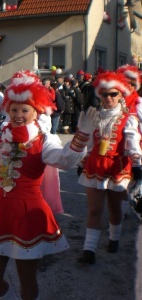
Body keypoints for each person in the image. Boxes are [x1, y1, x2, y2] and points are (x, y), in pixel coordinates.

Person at [0, 71, 100, 300]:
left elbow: (65, 160)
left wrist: (82, 135)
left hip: (28, 215)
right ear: (7, 110)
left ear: (35, 111)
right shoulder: (1, 140)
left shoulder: (43, 139)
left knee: (27, 279)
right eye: (14, 109)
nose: (18, 115)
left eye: (25, 110)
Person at [77, 71, 142, 265]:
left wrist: (137, 164)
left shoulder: (129, 118)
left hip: (117, 168)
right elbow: (88, 142)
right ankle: (89, 250)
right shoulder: (94, 115)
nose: (109, 98)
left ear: (121, 94)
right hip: (95, 165)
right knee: (94, 210)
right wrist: (82, 161)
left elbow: (132, 141)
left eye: (114, 94)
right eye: (105, 94)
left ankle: (114, 239)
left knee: (115, 211)